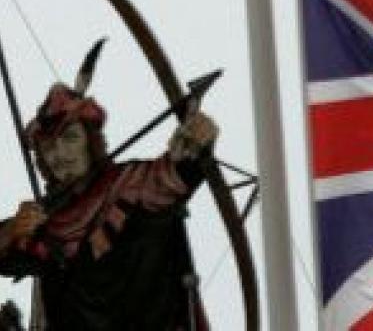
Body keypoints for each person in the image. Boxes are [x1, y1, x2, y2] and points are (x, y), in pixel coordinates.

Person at [0, 82, 218, 330]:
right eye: (48, 147)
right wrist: (11, 231)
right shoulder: (46, 221)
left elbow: (174, 174)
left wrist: (194, 141)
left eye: (70, 138)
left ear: (90, 141)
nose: (59, 155)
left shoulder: (129, 183)